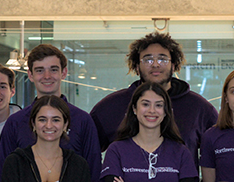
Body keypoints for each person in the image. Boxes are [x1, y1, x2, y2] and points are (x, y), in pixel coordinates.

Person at [0, 44, 102, 182]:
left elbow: (94, 177)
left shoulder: (83, 121)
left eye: (53, 69)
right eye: (39, 70)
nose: (46, 76)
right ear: (30, 75)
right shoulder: (15, 123)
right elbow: (2, 178)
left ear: (64, 73)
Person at [90, 32, 218, 170]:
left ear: (174, 65)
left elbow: (220, 156)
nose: (156, 64)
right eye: (148, 59)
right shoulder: (110, 107)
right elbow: (88, 153)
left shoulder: (199, 108)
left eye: (163, 59)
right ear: (137, 67)